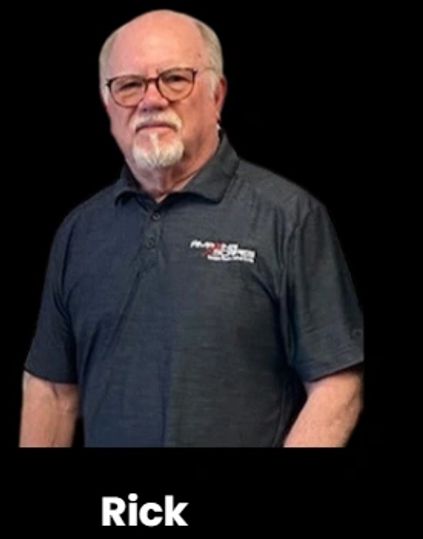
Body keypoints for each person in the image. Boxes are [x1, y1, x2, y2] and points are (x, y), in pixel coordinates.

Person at [20, 10, 364, 447]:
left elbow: (337, 386)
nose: (151, 100)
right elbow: (51, 390)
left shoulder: (288, 217)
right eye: (129, 85)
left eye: (175, 79)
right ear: (108, 107)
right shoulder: (79, 231)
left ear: (216, 95)